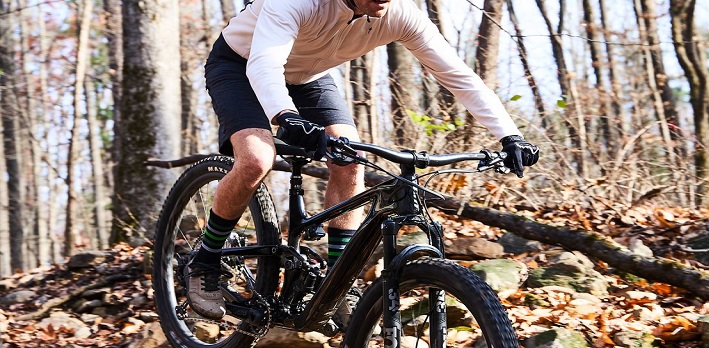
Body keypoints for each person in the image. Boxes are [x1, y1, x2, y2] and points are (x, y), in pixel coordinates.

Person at [186, 0, 540, 321]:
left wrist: (509, 135)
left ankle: (337, 283)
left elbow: (458, 76)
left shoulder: (400, 14)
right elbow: (265, 64)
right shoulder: (297, 2)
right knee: (256, 159)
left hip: (308, 77)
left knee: (350, 158)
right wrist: (286, 116)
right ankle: (205, 260)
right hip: (241, 65)